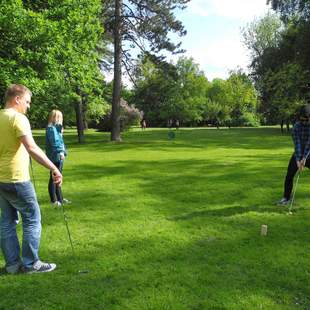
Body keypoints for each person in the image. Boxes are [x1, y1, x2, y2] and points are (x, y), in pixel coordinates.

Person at [0, 84, 62, 274]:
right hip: (17, 178)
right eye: (27, 102)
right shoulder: (18, 118)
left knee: (7, 220)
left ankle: (12, 265)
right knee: (33, 218)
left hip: (1, 179)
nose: (28, 106)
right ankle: (30, 264)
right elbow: (32, 148)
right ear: (17, 99)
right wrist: (54, 168)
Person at [278, 104, 310, 205]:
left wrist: (304, 158)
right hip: (299, 153)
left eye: (307, 120)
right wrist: (298, 159)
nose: (304, 122)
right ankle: (286, 198)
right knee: (289, 175)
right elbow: (297, 144)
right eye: (302, 120)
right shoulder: (296, 127)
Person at [46, 110, 68, 207]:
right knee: (53, 177)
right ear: (55, 117)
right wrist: (60, 152)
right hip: (55, 156)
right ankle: (54, 200)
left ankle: (60, 198)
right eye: (59, 117)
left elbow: (60, 141)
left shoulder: (56, 128)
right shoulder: (51, 129)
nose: (61, 119)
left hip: (58, 156)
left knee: (58, 177)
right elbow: (55, 142)